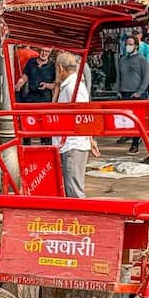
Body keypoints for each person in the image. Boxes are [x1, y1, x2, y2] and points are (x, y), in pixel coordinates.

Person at [53, 52, 98, 197]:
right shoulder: (69, 85)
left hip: (73, 144)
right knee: (70, 188)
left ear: (60, 69)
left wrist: (90, 138)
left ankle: (81, 219)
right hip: (69, 144)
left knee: (74, 190)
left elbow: (84, 115)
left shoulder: (74, 87)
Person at [116, 36, 149, 153]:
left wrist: (139, 92)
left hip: (136, 94)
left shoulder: (142, 59)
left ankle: (135, 144)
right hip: (124, 93)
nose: (128, 46)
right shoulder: (122, 60)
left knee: (137, 120)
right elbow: (119, 77)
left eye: (130, 44)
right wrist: (118, 90)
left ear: (136, 46)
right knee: (125, 119)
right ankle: (128, 136)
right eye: (127, 44)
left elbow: (146, 77)